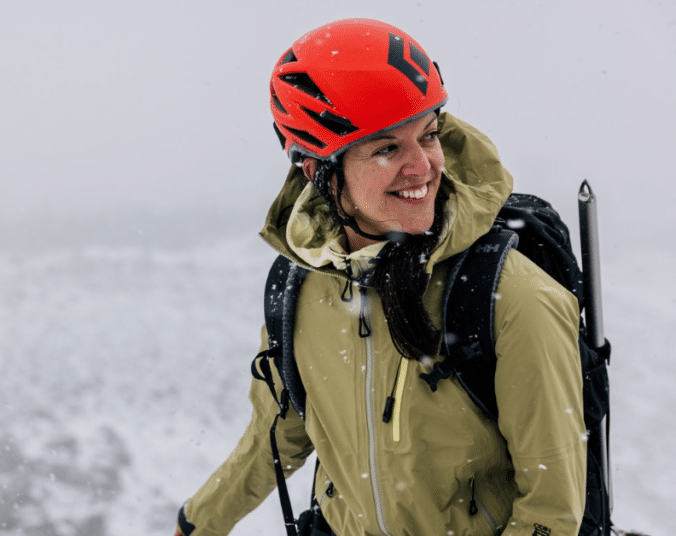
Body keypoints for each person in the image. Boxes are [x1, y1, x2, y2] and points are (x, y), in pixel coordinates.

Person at [175, 18, 587, 536]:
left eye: (429, 135)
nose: (422, 167)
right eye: (387, 148)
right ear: (316, 171)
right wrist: (198, 523)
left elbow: (550, 513)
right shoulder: (300, 285)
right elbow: (279, 436)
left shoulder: (507, 295)